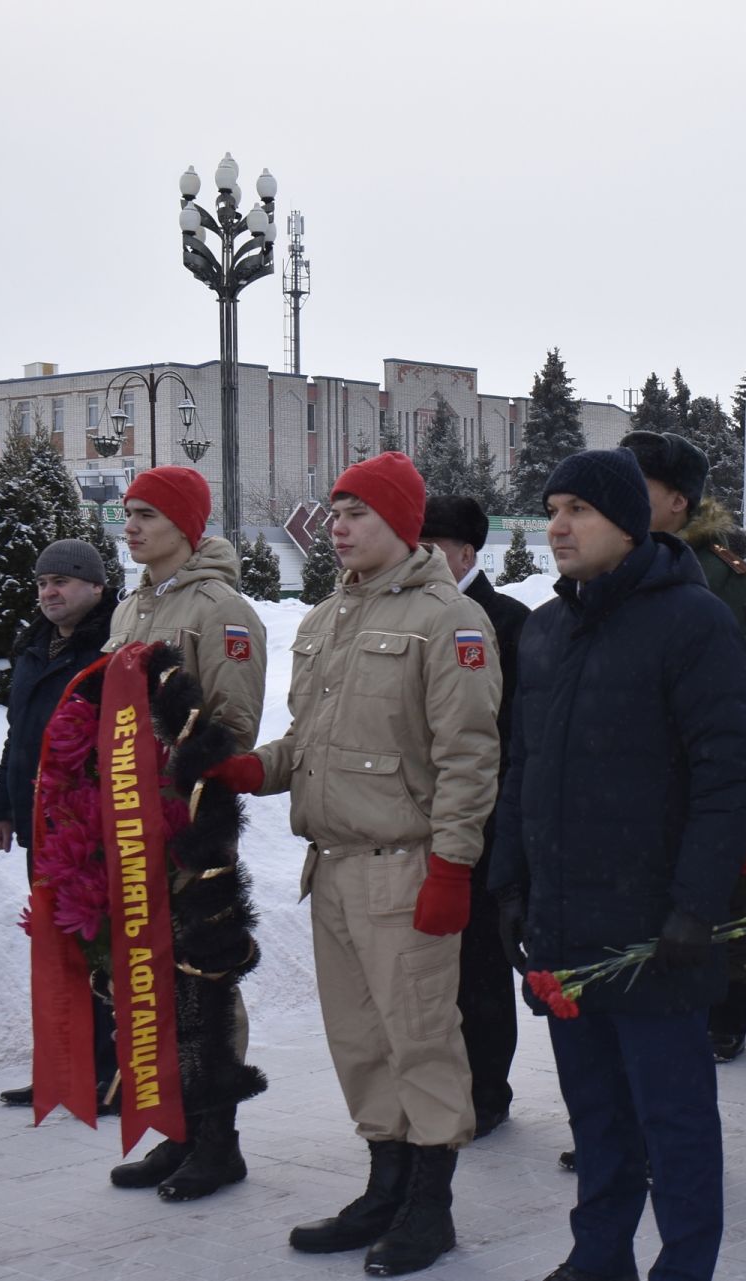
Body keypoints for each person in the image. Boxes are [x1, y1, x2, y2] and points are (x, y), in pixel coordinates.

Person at [212, 456, 502, 1275]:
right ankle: (385, 1183)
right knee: (360, 1041)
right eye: (335, 511)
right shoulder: (326, 618)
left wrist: (452, 866)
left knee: (421, 1039)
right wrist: (250, 769)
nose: (339, 526)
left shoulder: (449, 621)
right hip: (332, 867)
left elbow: (469, 759)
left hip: (406, 867)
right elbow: (311, 743)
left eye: (359, 512)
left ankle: (432, 1204)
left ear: (404, 524)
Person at [491, 447, 746, 1281]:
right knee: (596, 1109)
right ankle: (598, 1253)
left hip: (655, 924)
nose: (558, 526)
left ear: (629, 523)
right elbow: (522, 767)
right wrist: (511, 882)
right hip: (567, 921)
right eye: (552, 507)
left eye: (578, 509)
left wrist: (694, 904)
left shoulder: (694, 620)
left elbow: (727, 777)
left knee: (673, 1115)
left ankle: (686, 1263)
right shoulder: (544, 627)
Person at [103, 465, 266, 1201]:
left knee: (202, 980)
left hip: (190, 828)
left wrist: (175, 783)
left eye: (147, 514)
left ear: (186, 527)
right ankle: (175, 1128)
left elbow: (231, 731)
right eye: (129, 512)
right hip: (133, 827)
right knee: (151, 977)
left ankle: (217, 1139)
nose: (130, 525)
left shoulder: (220, 609)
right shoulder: (131, 607)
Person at [620, 429, 746, 1065]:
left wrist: (744, 795)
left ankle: (727, 1010)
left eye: (639, 488)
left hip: (704, 790)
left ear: (678, 503)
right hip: (631, 799)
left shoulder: (729, 581)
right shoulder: (612, 571)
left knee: (717, 910)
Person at [0, 539, 119, 1113]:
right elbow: (19, 736)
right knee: (54, 949)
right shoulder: (34, 648)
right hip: (39, 823)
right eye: (42, 582)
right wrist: (3, 806)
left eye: (62, 582)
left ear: (95, 587)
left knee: (97, 951)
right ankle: (63, 1070)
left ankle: (112, 1074)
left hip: (87, 826)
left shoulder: (111, 647)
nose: (49, 592)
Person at [419, 493, 530, 1141]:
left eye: (431, 546)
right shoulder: (413, 614)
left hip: (485, 821)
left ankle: (488, 1088)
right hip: (420, 820)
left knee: (481, 965)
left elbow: (513, 731)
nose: (420, 556)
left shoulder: (508, 620)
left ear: (466, 552)